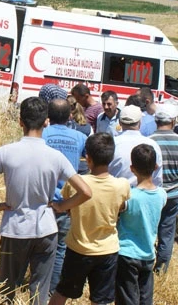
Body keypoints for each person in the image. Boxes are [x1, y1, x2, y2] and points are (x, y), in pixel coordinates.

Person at [0, 97, 92, 305]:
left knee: (7, 289)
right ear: (46, 121)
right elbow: (86, 192)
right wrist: (62, 206)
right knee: (39, 292)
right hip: (46, 228)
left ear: (20, 122)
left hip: (14, 228)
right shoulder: (56, 157)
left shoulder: (6, 152)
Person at [48, 133, 130, 305]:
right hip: (108, 249)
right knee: (100, 300)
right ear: (111, 157)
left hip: (79, 248)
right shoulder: (122, 185)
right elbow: (121, 207)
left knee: (62, 292)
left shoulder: (77, 183)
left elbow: (68, 206)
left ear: (88, 158)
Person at [41, 98, 88, 295]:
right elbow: (86, 166)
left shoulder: (41, 134)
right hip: (67, 201)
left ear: (48, 117)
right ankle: (52, 289)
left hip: (42, 200)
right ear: (70, 115)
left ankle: (37, 287)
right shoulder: (80, 137)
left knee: (39, 247)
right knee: (60, 248)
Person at [115, 144, 167, 305]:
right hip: (148, 253)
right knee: (146, 298)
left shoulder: (129, 196)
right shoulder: (162, 195)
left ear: (132, 168)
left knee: (127, 299)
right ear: (156, 166)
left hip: (127, 253)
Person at [149, 103, 178, 273]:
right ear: (173, 121)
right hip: (174, 193)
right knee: (167, 231)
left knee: (150, 228)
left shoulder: (149, 140)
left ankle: (147, 261)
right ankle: (161, 268)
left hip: (153, 192)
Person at [108, 105, 163, 187]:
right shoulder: (152, 144)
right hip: (144, 195)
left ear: (119, 122)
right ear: (140, 122)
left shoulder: (111, 144)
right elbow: (157, 178)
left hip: (117, 195)